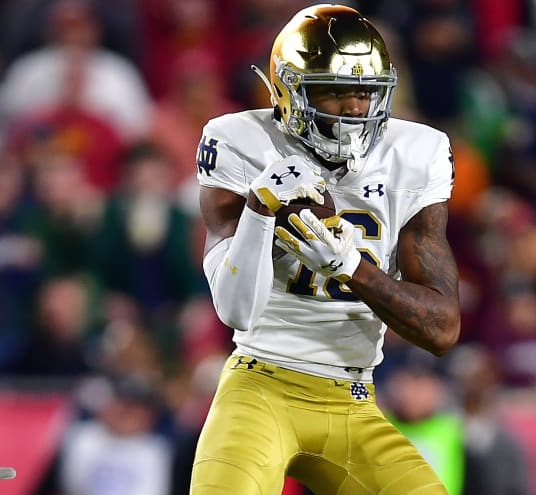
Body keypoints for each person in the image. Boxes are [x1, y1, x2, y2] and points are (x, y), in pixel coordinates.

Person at [191, 4, 461, 495]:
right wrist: (258, 208)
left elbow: (442, 329)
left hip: (352, 398)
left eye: (365, 91)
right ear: (288, 91)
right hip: (258, 385)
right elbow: (235, 312)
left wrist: (350, 267)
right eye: (334, 91)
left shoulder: (416, 153)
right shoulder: (239, 140)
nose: (355, 107)